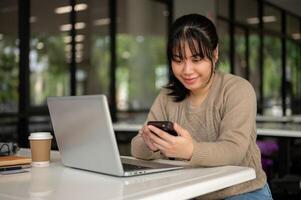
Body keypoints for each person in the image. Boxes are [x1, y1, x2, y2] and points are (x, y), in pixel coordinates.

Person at [131, 14, 273, 200]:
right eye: (178, 60)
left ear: (215, 54)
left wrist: (190, 151)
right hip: (190, 192)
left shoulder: (237, 90)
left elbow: (234, 151)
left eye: (196, 59)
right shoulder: (167, 95)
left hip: (241, 191)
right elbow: (136, 147)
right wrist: (151, 145)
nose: (187, 70)